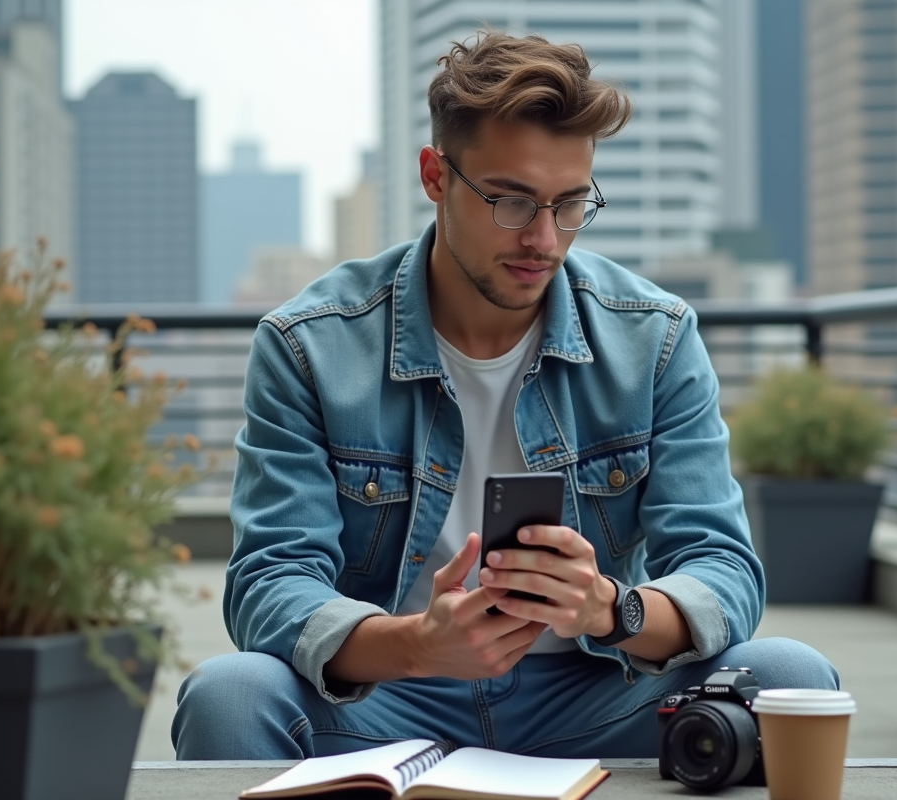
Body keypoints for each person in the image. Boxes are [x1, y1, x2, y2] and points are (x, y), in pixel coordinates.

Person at [173, 30, 838, 761]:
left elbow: (723, 566)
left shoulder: (656, 337)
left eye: (571, 204)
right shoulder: (309, 345)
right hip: (386, 693)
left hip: (595, 689)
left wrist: (611, 609)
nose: (545, 240)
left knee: (791, 676)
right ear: (435, 176)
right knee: (229, 694)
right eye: (512, 202)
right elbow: (270, 581)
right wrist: (417, 645)